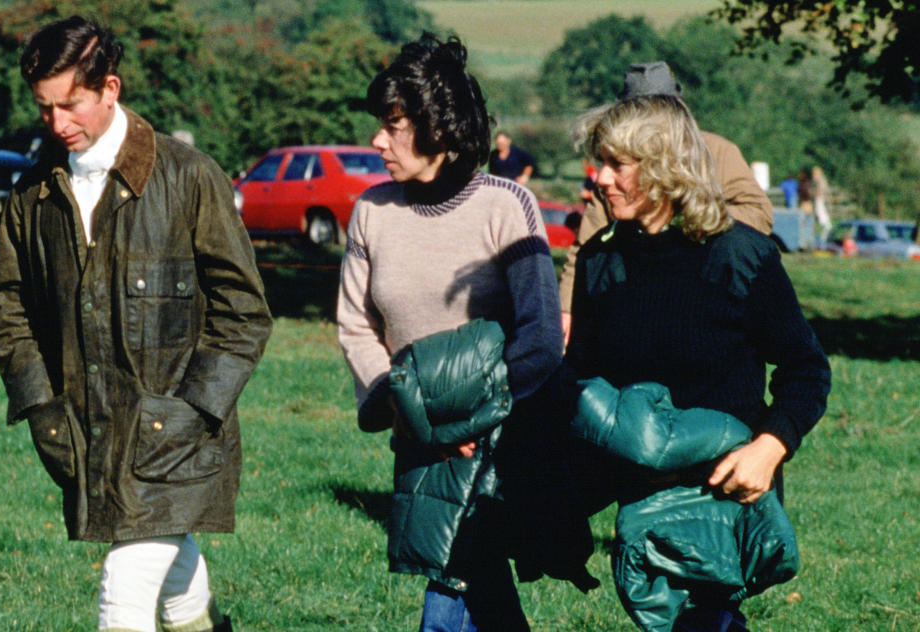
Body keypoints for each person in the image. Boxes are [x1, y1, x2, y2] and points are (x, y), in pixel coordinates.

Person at [0, 16, 272, 632]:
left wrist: (193, 410)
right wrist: (42, 407)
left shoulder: (190, 176)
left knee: (124, 593)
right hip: (84, 434)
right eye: (45, 108)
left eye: (72, 104)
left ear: (110, 89)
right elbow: (8, 308)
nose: (58, 123)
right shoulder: (31, 194)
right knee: (174, 580)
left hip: (179, 437)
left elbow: (244, 312)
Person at [564, 95, 830, 631]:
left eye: (618, 164)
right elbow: (581, 385)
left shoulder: (740, 257)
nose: (601, 179)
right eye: (600, 162)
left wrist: (769, 448)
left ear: (664, 167)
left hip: (725, 492)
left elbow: (806, 369)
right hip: (640, 494)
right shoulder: (601, 262)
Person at [337, 33, 565, 631]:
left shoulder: (506, 206)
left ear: (437, 126)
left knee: (457, 589)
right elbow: (356, 327)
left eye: (392, 123)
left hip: (501, 448)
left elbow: (541, 339)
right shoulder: (371, 212)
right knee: (476, 589)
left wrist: (469, 425)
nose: (376, 140)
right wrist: (413, 414)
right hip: (418, 444)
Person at [558, 61, 774, 341]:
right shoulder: (614, 172)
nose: (604, 177)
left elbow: (758, 212)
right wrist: (566, 308)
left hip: (707, 288)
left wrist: (692, 223)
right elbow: (588, 243)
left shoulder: (717, 150)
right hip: (633, 289)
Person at [811, 165, 832, 243]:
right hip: (819, 199)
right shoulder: (820, 180)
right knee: (818, 217)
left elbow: (820, 191)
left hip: (819, 199)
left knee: (821, 217)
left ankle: (824, 234)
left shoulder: (819, 180)